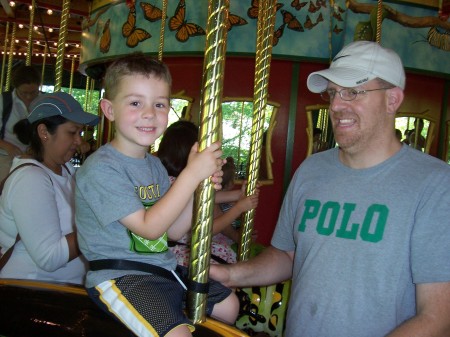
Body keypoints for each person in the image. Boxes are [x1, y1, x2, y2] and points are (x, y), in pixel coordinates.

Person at [210, 41, 450, 337]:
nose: (336, 105)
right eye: (333, 92)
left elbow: (437, 316)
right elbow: (288, 256)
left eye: (353, 92)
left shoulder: (435, 184)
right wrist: (231, 274)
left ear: (392, 99)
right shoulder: (311, 170)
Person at [75, 54, 239, 337]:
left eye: (159, 104)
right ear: (109, 109)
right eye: (135, 103)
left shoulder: (154, 166)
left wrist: (197, 187)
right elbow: (149, 229)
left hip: (162, 268)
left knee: (229, 305)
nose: (149, 113)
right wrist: (190, 175)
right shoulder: (101, 169)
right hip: (121, 276)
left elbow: (172, 231)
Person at [0, 92, 99, 284]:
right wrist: (98, 229)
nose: (79, 140)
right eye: (72, 132)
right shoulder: (30, 180)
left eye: (80, 133)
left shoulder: (66, 170)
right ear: (44, 132)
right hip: (33, 290)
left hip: (64, 287)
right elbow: (50, 257)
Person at [158, 121, 259, 266]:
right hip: (184, 249)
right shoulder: (181, 183)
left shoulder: (168, 180)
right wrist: (239, 207)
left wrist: (238, 196)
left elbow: (204, 197)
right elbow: (206, 228)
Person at [0, 64, 41, 181]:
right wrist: (8, 147)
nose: (28, 97)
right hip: (7, 155)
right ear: (16, 88)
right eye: (23, 93)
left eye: (33, 92)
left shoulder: (45, 102)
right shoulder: (4, 101)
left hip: (35, 155)